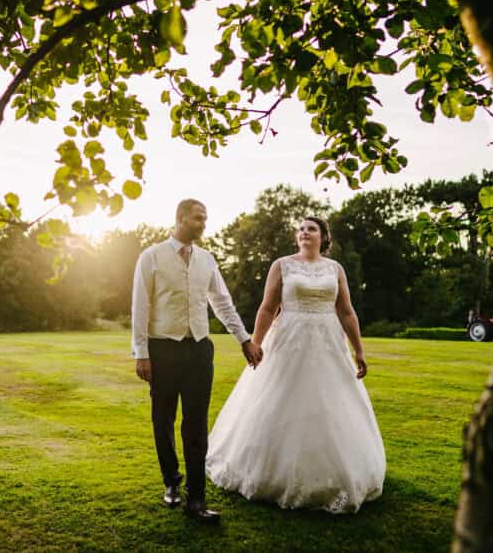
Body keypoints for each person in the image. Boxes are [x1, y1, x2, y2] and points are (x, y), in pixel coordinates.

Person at [205, 217, 385, 513]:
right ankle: (268, 470)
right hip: (288, 338)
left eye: (311, 229)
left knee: (331, 402)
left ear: (324, 237)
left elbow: (347, 312)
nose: (304, 232)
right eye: (300, 229)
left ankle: (336, 473)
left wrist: (359, 351)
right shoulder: (282, 265)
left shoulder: (335, 269)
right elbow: (267, 307)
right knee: (280, 398)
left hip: (328, 341)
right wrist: (256, 343)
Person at [132, 199, 263, 523]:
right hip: (163, 349)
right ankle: (171, 483)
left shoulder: (207, 260)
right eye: (198, 218)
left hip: (199, 352)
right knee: (162, 421)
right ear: (180, 218)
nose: (203, 224)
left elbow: (222, 303)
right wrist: (142, 353)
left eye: (205, 219)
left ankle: (197, 500)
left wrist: (244, 339)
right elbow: (140, 308)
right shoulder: (152, 257)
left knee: (196, 425)